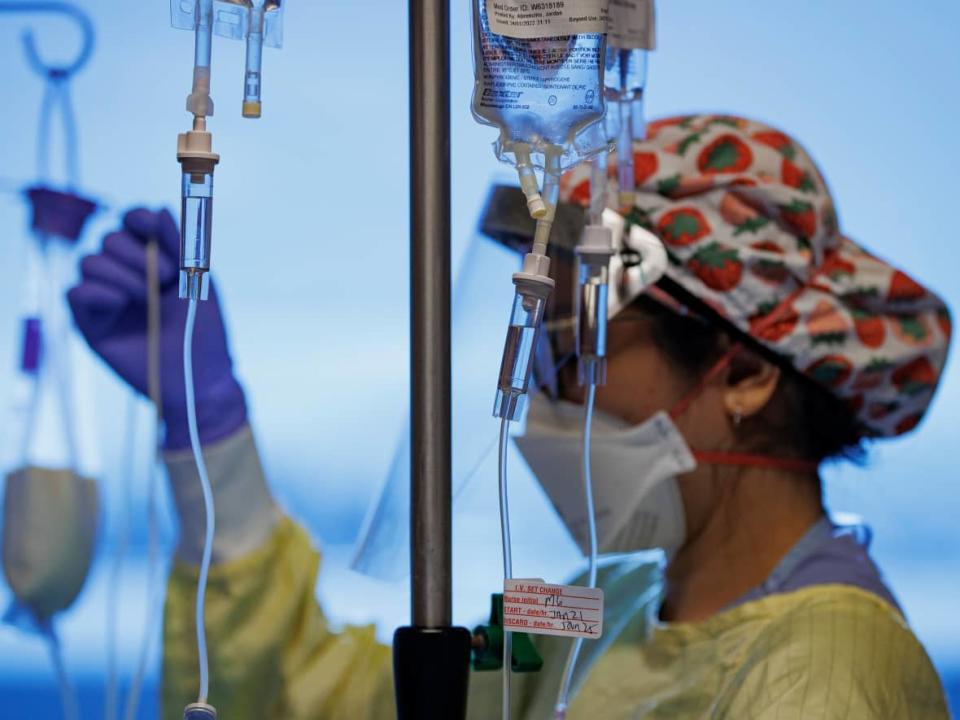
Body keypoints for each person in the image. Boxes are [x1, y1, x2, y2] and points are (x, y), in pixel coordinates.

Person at [68, 113, 952, 719]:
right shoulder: (600, 606)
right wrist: (207, 424)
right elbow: (336, 699)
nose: (544, 403)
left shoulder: (831, 666)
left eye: (575, 355)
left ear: (748, 373)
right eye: (537, 360)